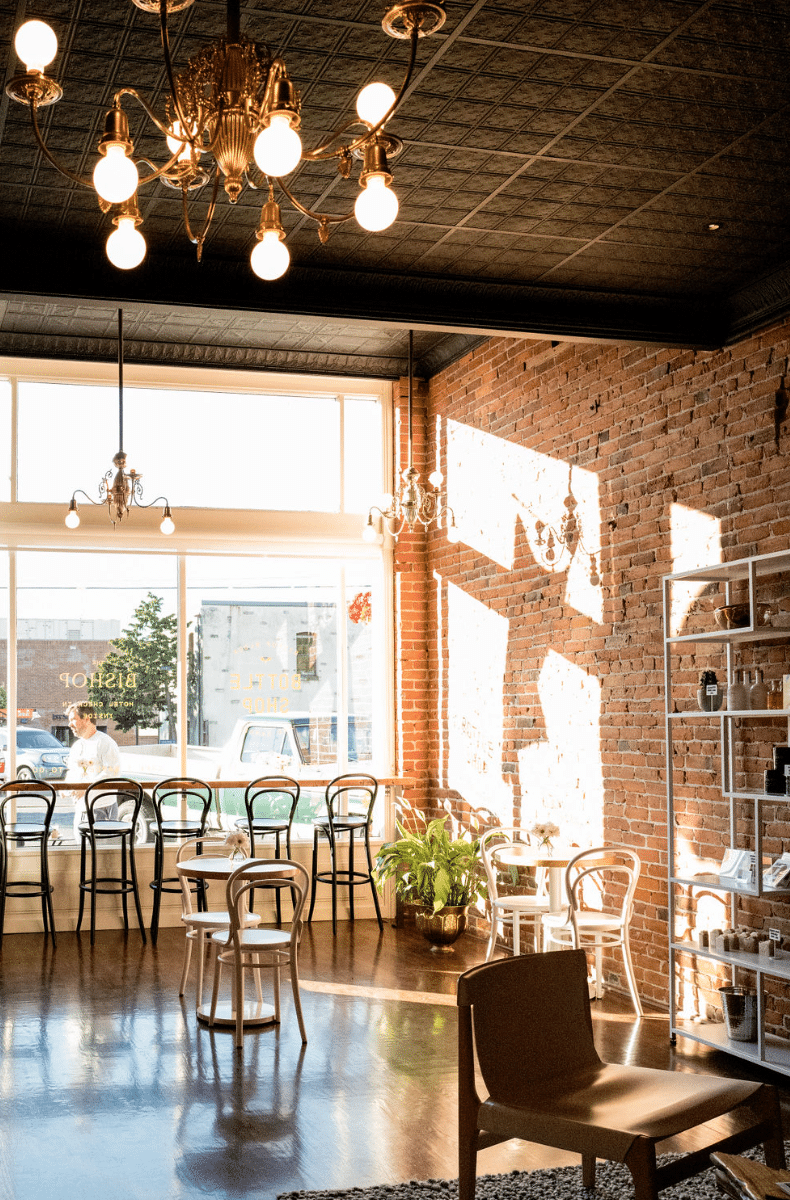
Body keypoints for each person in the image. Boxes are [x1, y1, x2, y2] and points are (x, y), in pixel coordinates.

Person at [65, 703, 121, 839]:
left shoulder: (105, 743)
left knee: (100, 856)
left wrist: (84, 788)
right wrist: (66, 788)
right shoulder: (77, 746)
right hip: (81, 808)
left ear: (87, 719)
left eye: (73, 719)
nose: (69, 724)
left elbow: (111, 773)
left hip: (102, 807)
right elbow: (72, 771)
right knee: (82, 851)